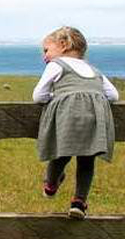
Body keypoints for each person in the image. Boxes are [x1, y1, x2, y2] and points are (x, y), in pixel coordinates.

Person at [33, 26, 118, 219]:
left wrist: (57, 97)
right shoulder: (94, 70)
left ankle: (51, 183)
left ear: (63, 45)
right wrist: (92, 99)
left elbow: (38, 96)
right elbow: (114, 95)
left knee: (60, 154)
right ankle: (79, 202)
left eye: (46, 50)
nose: (44, 56)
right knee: (87, 160)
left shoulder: (57, 65)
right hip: (94, 120)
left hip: (68, 117)